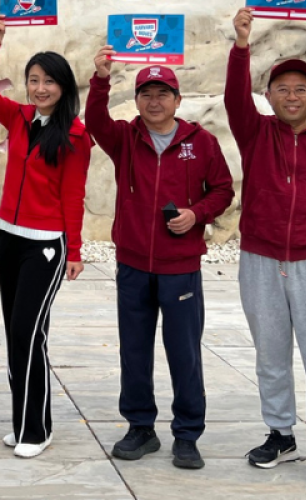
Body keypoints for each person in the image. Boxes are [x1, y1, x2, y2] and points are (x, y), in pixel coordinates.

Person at [86, 49, 234, 469]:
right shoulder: (124, 139)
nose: (155, 101)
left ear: (177, 99)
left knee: (183, 352)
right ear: (136, 100)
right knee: (134, 350)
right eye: (146, 93)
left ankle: (187, 435)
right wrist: (99, 80)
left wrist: (196, 214)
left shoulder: (200, 141)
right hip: (133, 265)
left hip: (180, 268)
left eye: (163, 93)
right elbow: (95, 122)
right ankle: (140, 428)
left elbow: (222, 190)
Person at [0, 15, 92, 459]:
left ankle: (37, 429)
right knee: (15, 334)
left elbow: (73, 196)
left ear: (64, 87)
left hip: (45, 245)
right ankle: (24, 421)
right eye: (33, 80)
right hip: (8, 236)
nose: (40, 88)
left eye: (49, 81)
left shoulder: (75, 136)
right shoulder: (20, 117)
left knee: (31, 335)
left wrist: (76, 250)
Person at [226, 8, 306, 491]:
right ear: (268, 97)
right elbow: (232, 99)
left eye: (300, 88)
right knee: (270, 352)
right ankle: (280, 434)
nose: (291, 95)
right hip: (261, 259)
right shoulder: (256, 133)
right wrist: (241, 45)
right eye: (282, 88)